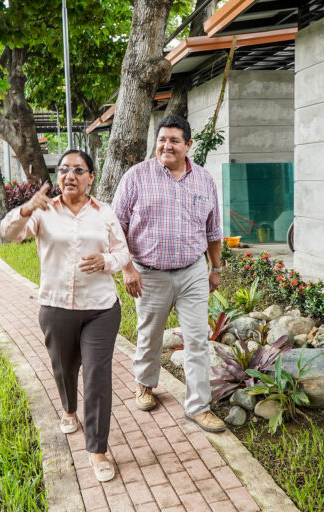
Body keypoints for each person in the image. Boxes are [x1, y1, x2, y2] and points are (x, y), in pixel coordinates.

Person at [0, 149, 129, 482]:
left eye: (78, 170)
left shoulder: (105, 213)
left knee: (98, 374)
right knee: (64, 367)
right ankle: (69, 409)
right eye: (63, 169)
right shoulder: (44, 212)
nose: (69, 175)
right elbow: (8, 234)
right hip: (57, 307)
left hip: (101, 307)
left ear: (90, 177)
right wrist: (27, 207)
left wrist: (108, 262)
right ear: (58, 177)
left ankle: (97, 449)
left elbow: (122, 250)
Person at [112, 115, 226, 433]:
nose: (167, 145)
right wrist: (128, 269)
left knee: (197, 339)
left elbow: (213, 231)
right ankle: (145, 384)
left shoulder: (205, 180)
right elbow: (115, 227)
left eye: (175, 140)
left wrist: (216, 269)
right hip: (150, 274)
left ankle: (198, 406)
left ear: (189, 145)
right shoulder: (136, 177)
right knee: (150, 335)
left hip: (192, 273)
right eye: (162, 139)